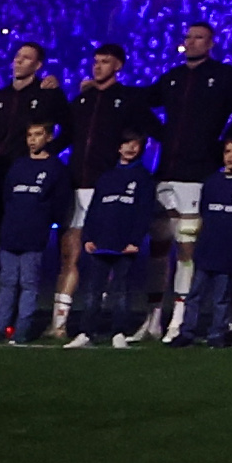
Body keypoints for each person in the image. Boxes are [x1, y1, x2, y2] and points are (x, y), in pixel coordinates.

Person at [73, 135, 158, 345]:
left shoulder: (144, 178)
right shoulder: (107, 177)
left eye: (135, 144)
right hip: (101, 242)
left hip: (125, 245)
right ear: (118, 147)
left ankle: (118, 333)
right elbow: (95, 209)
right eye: (125, 143)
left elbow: (144, 213)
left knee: (121, 290)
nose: (130, 148)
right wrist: (89, 237)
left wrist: (135, 241)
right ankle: (86, 333)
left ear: (141, 148)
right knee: (93, 290)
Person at [0, 120, 64, 345]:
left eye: (38, 135)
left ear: (49, 138)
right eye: (30, 135)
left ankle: (23, 328)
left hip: (34, 234)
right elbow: (7, 196)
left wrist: (46, 222)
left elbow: (59, 204)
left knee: (29, 283)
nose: (33, 140)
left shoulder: (55, 168)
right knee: (7, 282)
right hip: (11, 232)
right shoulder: (18, 165)